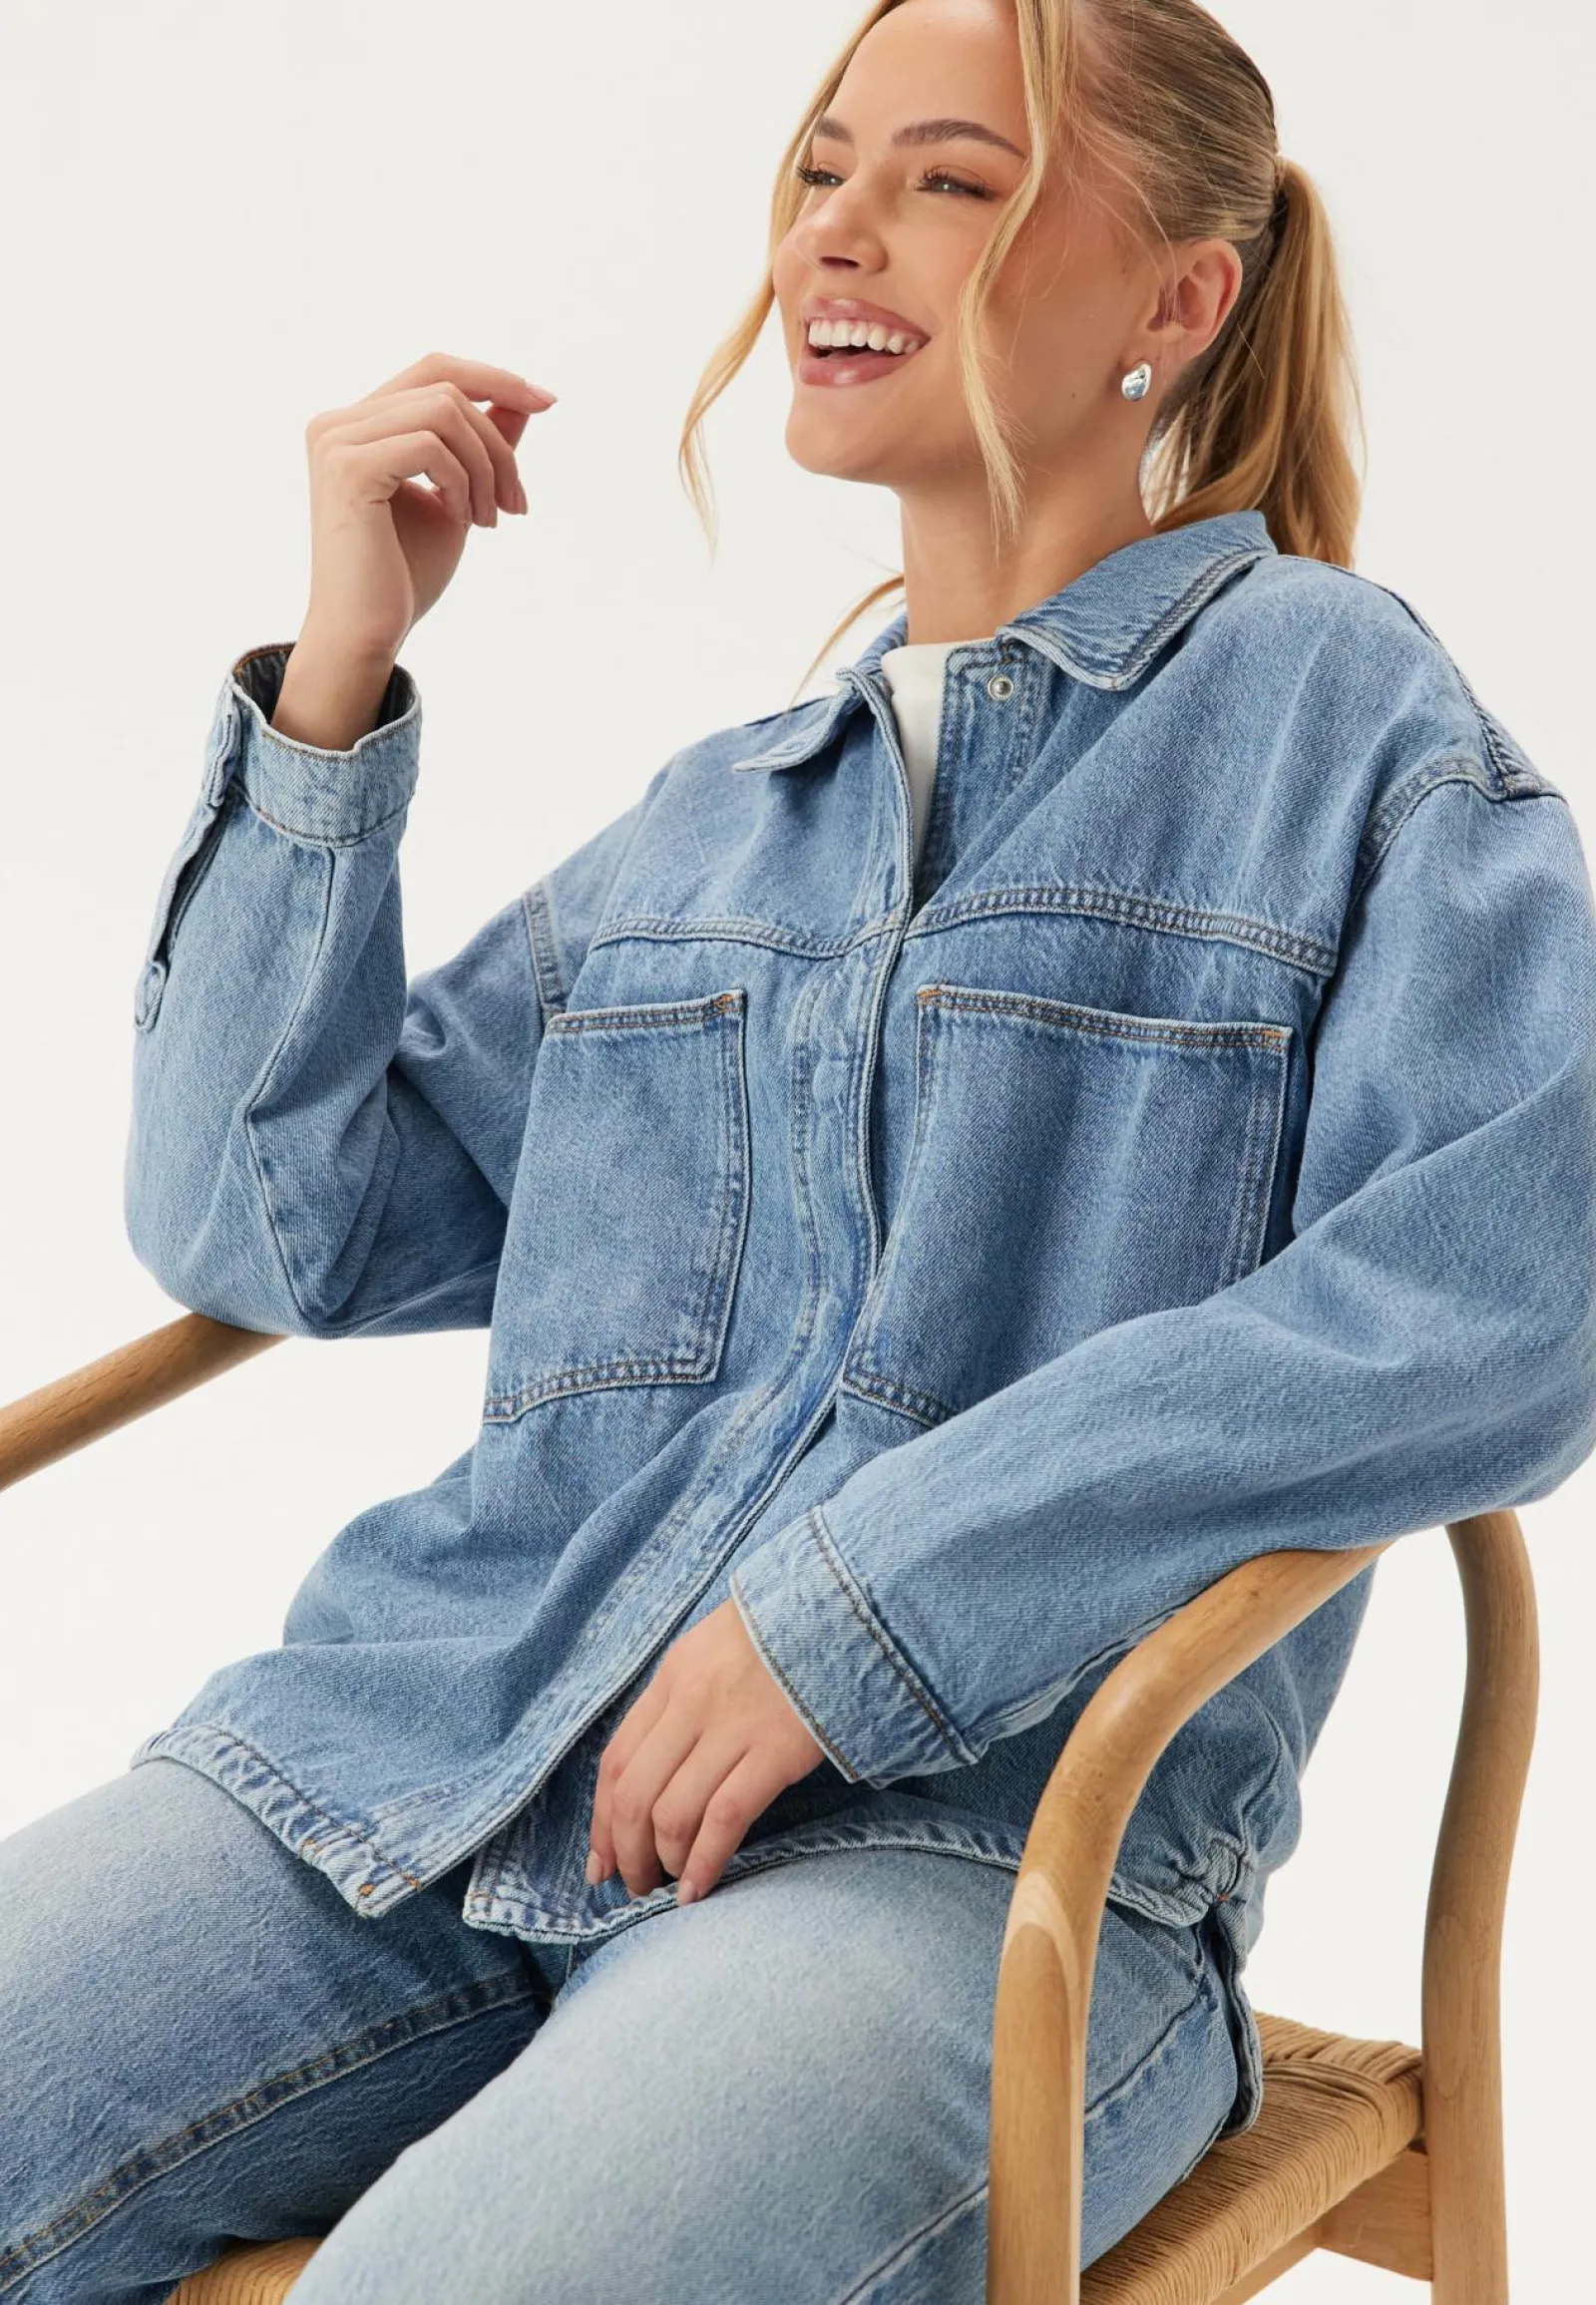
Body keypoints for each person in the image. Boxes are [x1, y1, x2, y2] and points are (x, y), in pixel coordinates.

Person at [5, 0, 1595, 2298]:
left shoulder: (1334, 717)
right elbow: (267, 1232)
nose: (832, 233)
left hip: (966, 1863)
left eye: (949, 181)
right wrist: (333, 686)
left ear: (1177, 298)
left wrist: (859, 1614)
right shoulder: (718, 820)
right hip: (411, 1771)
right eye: (823, 167)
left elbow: (1504, 1288)